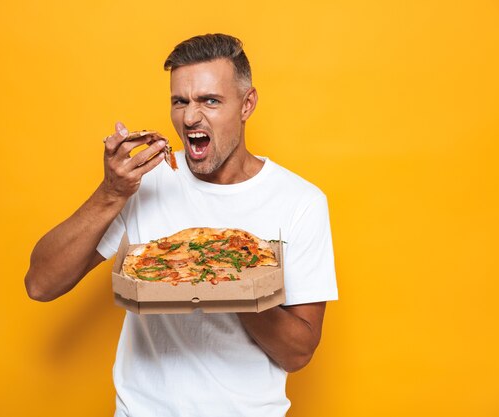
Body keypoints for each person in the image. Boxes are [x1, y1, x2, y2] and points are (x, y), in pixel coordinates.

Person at [25, 33, 338, 417]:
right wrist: (110, 193)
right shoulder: (144, 181)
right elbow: (40, 284)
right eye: (180, 101)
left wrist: (233, 277)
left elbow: (298, 352)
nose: (190, 118)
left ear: (247, 104)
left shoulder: (299, 201)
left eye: (210, 100)